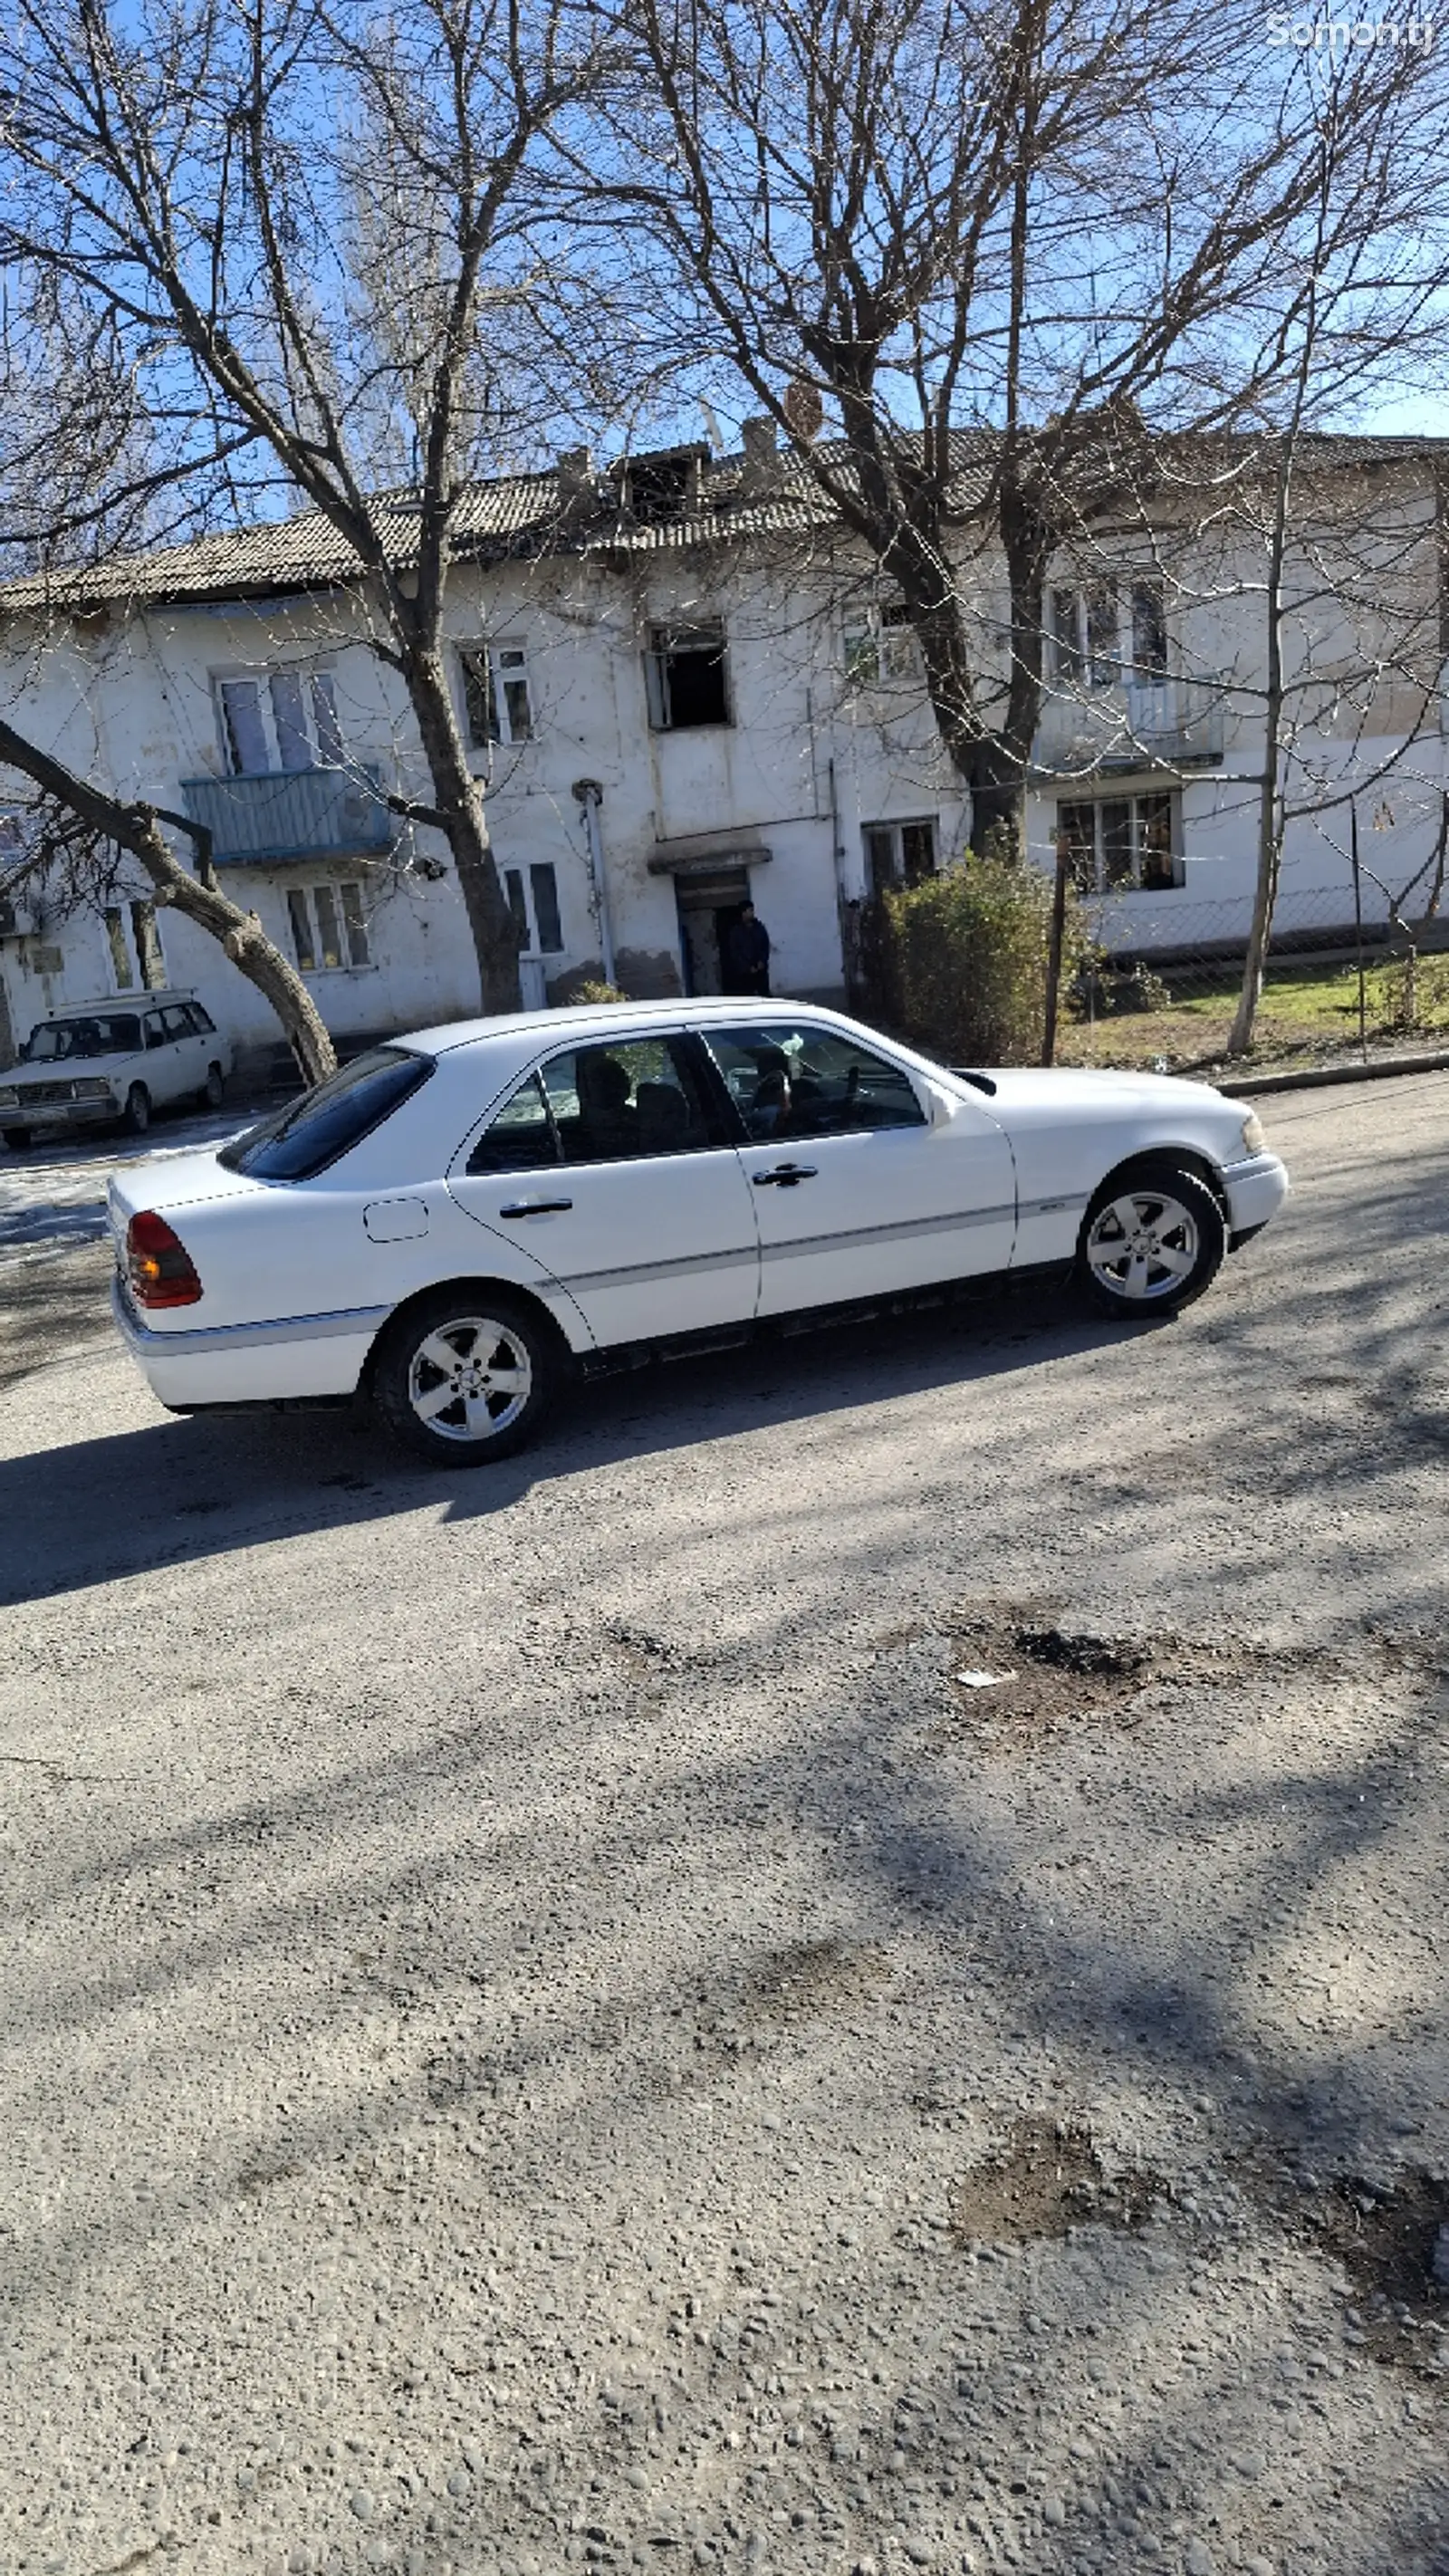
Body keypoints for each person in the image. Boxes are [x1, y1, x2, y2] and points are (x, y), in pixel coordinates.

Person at [724, 902, 772, 996]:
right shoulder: (736, 931)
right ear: (743, 913)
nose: (752, 913)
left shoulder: (759, 928)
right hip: (745, 974)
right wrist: (747, 967)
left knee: (765, 996)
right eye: (750, 910)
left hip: (761, 971)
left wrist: (762, 961)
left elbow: (765, 945)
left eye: (752, 910)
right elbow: (735, 953)